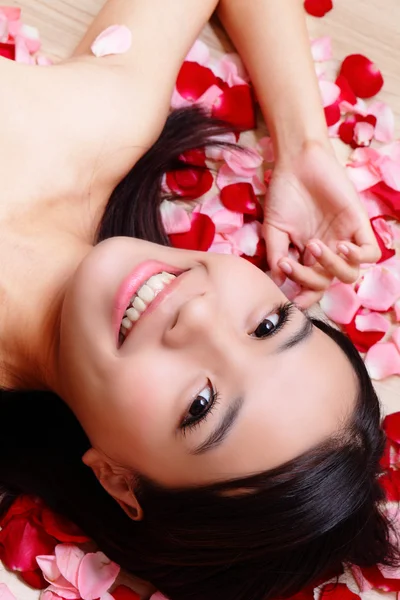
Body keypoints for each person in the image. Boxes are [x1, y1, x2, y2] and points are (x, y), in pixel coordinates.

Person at [0, 1, 395, 599]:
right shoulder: (107, 118)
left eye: (201, 406)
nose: (198, 315)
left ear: (118, 480)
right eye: (266, 326)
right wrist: (304, 145)